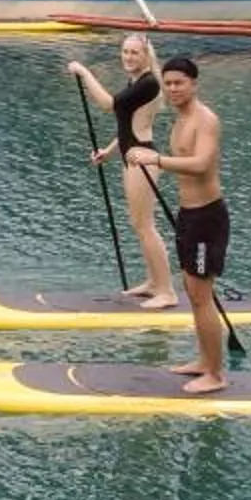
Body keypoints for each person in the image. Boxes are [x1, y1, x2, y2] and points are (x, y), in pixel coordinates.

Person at [128, 55, 228, 394]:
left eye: (179, 83)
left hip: (207, 218)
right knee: (193, 292)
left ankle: (215, 375)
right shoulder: (179, 118)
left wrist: (155, 159)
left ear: (193, 84)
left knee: (202, 296)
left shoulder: (205, 120)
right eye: (168, 83)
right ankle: (203, 361)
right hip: (188, 216)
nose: (172, 89)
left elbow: (200, 164)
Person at [71, 36, 175, 309]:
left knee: (146, 226)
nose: (128, 57)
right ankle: (153, 283)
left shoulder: (149, 83)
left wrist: (85, 73)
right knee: (139, 225)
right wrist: (108, 150)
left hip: (143, 159)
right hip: (132, 155)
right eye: (125, 52)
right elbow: (129, 125)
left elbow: (109, 105)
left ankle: (167, 291)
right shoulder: (137, 82)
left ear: (145, 56)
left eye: (134, 53)